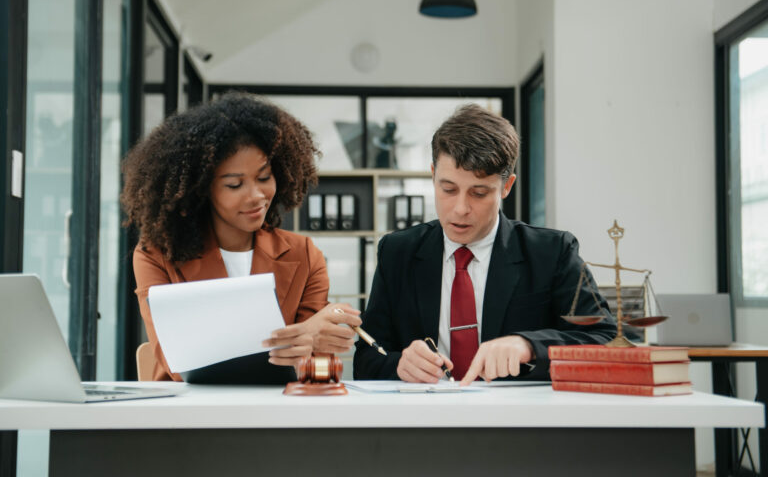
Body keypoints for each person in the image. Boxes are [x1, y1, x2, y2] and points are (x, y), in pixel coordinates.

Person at [353, 104, 616, 385]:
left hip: (518, 422)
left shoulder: (552, 252)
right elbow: (366, 360)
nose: (460, 209)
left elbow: (606, 341)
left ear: (506, 186)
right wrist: (400, 365)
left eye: (479, 193)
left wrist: (528, 346)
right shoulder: (397, 252)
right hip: (425, 420)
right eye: (448, 189)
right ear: (432, 175)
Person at [121, 92, 360, 381]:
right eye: (235, 185)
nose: (257, 196)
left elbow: (320, 370)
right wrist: (301, 337)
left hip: (276, 412)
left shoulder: (304, 255)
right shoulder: (156, 255)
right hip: (188, 413)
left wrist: (317, 341)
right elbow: (176, 362)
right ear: (201, 189)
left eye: (264, 178)